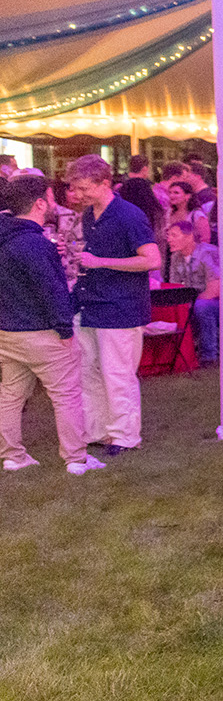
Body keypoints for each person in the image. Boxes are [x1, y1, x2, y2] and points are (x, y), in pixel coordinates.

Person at [0, 174, 94, 475]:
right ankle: (77, 459)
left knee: (11, 395)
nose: (55, 203)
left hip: (7, 331)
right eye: (52, 198)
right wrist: (65, 329)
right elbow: (52, 291)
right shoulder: (33, 243)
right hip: (41, 332)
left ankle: (13, 456)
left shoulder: (8, 237)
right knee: (66, 395)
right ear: (40, 204)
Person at [67, 155, 158, 455]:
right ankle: (99, 430)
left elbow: (151, 259)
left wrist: (101, 262)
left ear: (104, 182)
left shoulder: (128, 215)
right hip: (91, 303)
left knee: (117, 375)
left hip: (121, 307)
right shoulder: (90, 215)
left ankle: (125, 435)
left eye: (83, 188)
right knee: (89, 371)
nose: (77, 195)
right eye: (75, 188)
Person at [163, 220, 221, 364]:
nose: (169, 240)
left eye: (174, 235)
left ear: (189, 236)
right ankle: (179, 354)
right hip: (196, 301)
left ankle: (209, 355)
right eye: (168, 235)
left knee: (202, 306)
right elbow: (175, 287)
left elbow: (215, 289)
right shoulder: (176, 258)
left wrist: (189, 304)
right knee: (173, 306)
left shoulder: (208, 253)